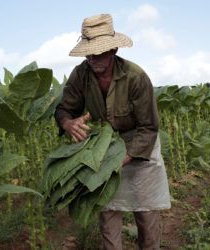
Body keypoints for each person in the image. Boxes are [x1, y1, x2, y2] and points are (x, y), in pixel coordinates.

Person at [55, 14, 171, 250]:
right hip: (107, 147)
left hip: (141, 147)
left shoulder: (135, 77)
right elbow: (64, 109)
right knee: (108, 213)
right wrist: (68, 123)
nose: (93, 58)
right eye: (89, 52)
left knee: (146, 216)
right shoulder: (81, 75)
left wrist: (125, 158)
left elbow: (149, 127)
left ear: (114, 49)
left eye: (99, 52)